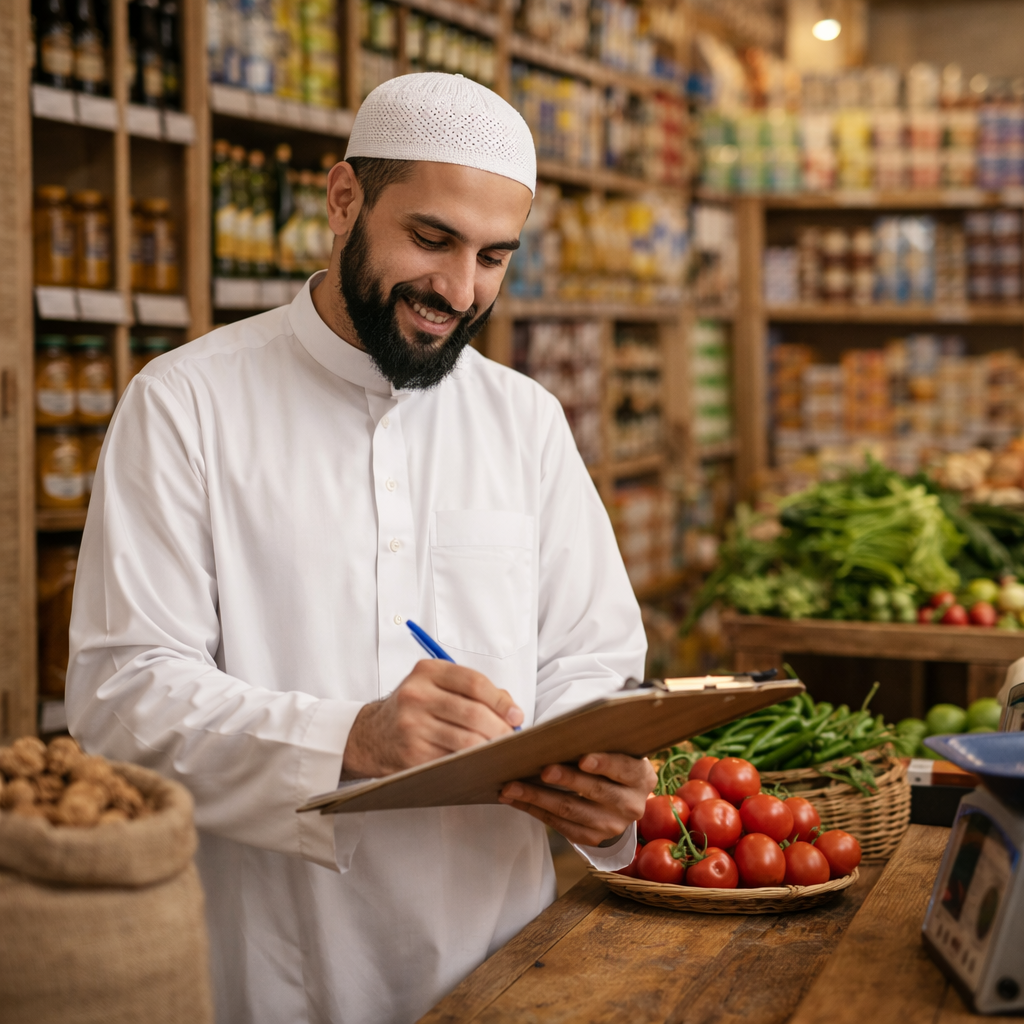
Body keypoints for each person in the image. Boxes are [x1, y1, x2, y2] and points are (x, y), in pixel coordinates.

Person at [67, 72, 654, 1024]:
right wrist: (350, 737)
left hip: (508, 968)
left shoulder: (526, 422)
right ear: (344, 199)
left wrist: (597, 777)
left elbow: (592, 658)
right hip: (274, 972)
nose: (458, 291)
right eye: (431, 240)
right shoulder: (185, 405)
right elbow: (119, 695)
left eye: (493, 257)